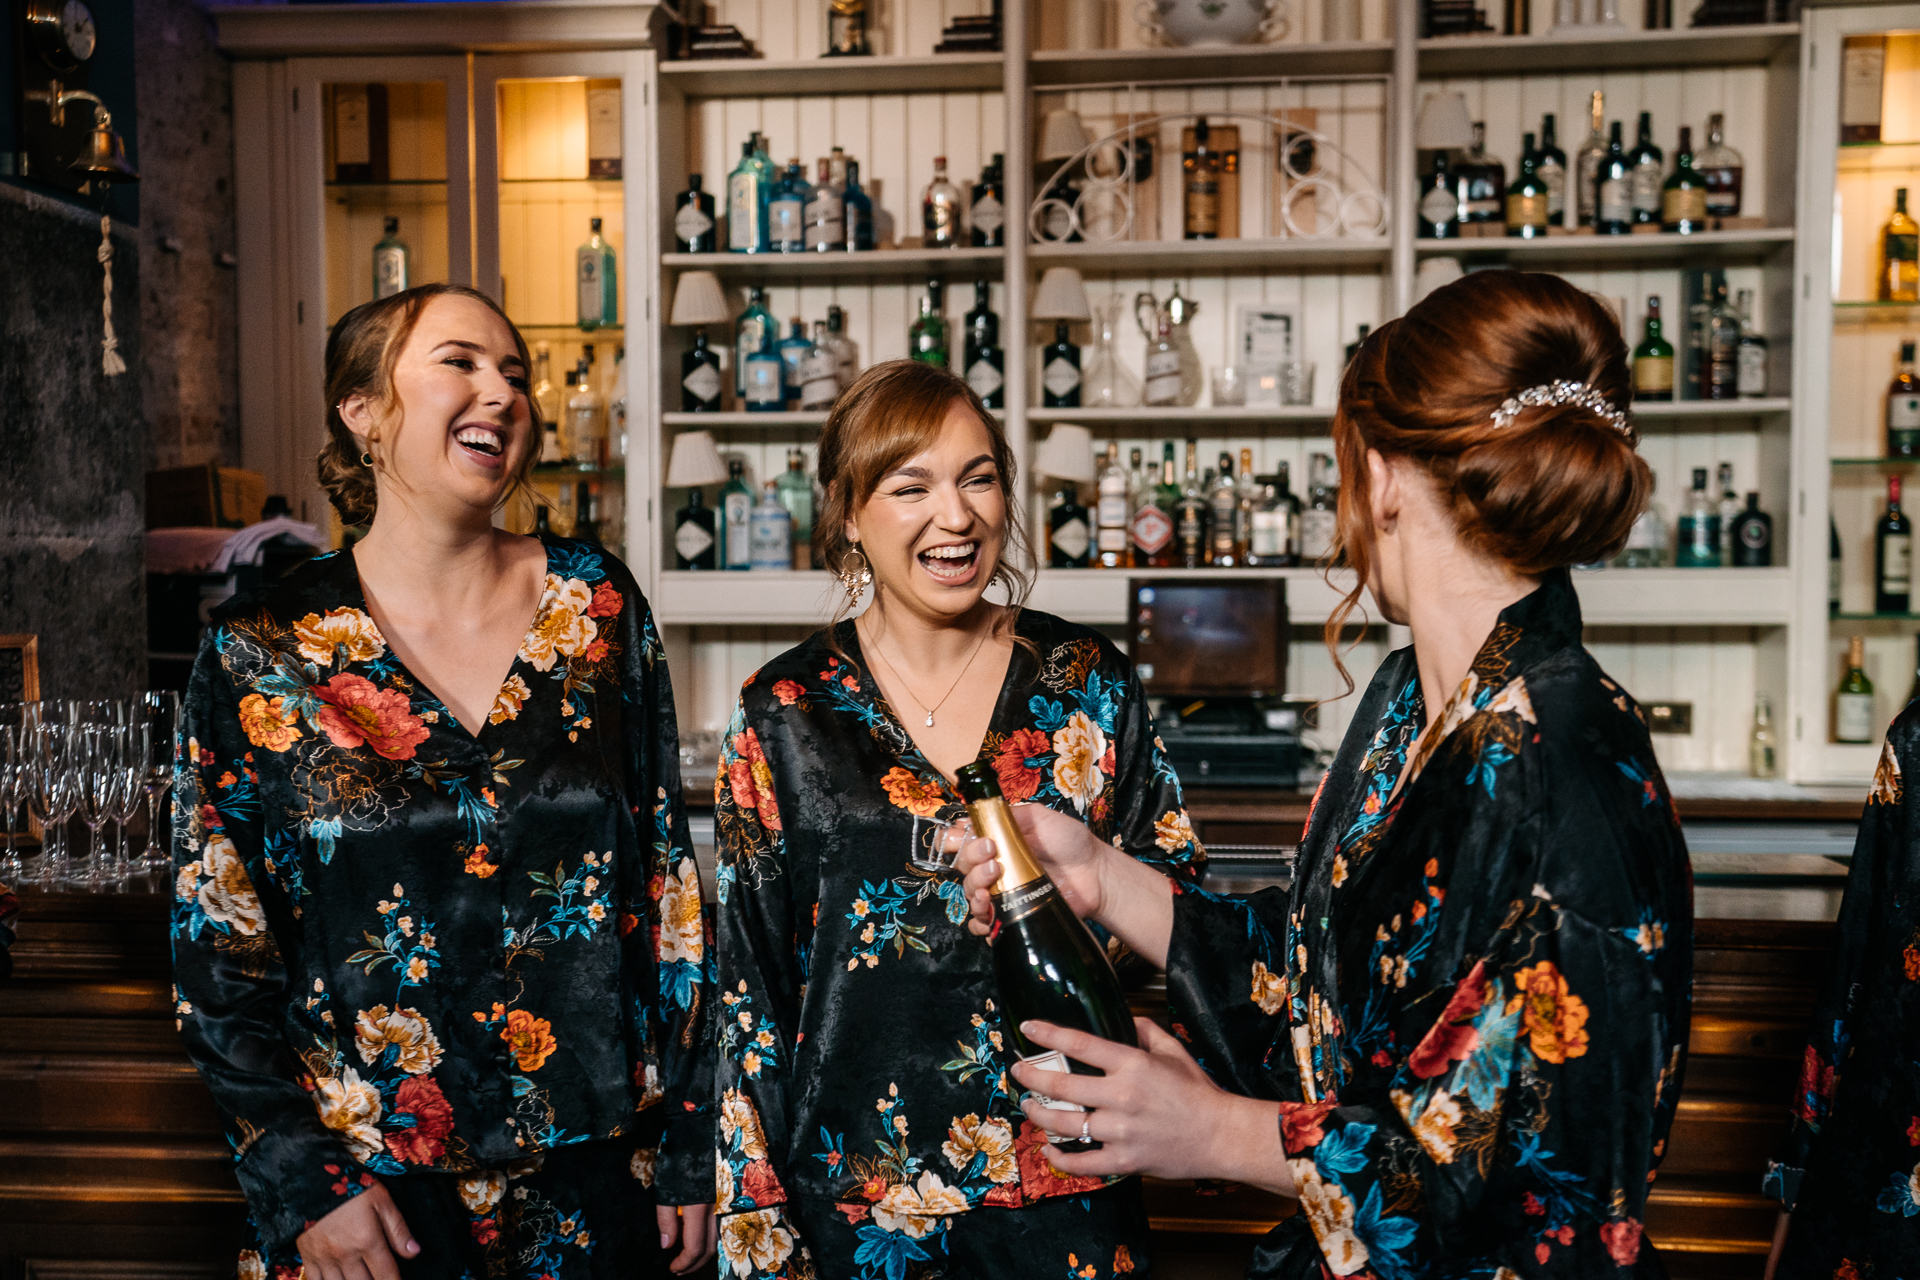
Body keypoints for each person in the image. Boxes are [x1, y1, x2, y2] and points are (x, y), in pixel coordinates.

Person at [953, 271, 1695, 1277]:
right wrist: (1097, 874)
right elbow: (1322, 989)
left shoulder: (1571, 769)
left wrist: (1214, 1130)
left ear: (1382, 477)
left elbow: (1531, 1191)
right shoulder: (1404, 705)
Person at [169, 283, 715, 1280]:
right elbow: (220, 950)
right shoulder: (263, 647)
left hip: (599, 1182)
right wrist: (306, 1183)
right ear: (363, 409)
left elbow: (670, 898)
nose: (502, 392)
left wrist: (691, 1138)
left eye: (515, 373)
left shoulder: (594, 605)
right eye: (460, 361)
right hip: (373, 1206)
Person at [712, 360, 1203, 1280]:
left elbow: (1180, 905)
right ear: (851, 514)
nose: (958, 516)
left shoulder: (1084, 680)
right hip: (857, 1197)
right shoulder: (784, 710)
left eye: (979, 478)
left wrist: (1080, 909)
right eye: (913, 487)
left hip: (1069, 1174)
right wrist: (756, 1219)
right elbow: (749, 988)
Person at [1762, 713, 1920, 1276]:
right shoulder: (1915, 741)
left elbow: (1854, 967)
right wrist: (1795, 1186)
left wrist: (1796, 1186)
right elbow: (1856, 962)